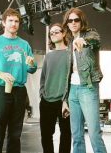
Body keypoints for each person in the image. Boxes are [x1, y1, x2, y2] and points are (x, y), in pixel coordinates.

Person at [0, 8, 37, 153]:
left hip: (19, 90)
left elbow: (32, 69)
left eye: (16, 21)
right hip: (1, 90)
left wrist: (31, 64)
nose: (14, 24)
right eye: (10, 20)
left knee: (15, 132)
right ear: (3, 23)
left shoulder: (24, 45)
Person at [61, 7, 107, 153]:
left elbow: (95, 41)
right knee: (77, 134)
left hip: (87, 87)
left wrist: (83, 40)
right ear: (67, 23)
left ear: (81, 21)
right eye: (70, 20)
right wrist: (64, 99)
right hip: (72, 90)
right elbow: (67, 73)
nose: (73, 23)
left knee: (94, 133)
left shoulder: (90, 33)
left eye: (76, 20)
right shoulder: (68, 43)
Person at [39, 23, 71, 153]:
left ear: (63, 33)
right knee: (46, 135)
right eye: (51, 33)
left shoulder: (70, 54)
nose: (53, 34)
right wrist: (42, 93)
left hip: (64, 102)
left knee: (66, 134)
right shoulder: (49, 56)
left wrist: (67, 99)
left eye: (56, 32)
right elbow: (43, 77)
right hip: (47, 101)